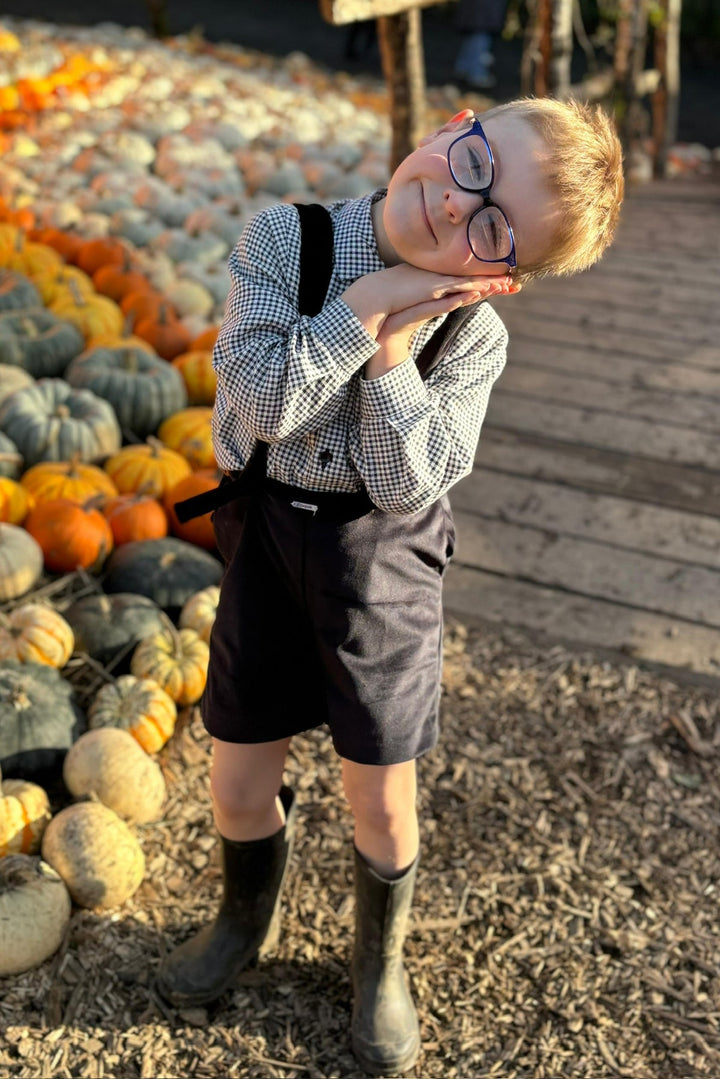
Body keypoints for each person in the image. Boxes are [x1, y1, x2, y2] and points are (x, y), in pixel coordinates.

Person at [157, 96, 624, 1076]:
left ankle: (380, 963)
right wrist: (365, 305)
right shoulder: (285, 242)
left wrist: (394, 355)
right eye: (472, 165)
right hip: (267, 538)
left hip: (381, 564)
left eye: (491, 226)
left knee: (382, 799)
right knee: (237, 775)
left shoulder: (474, 339)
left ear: (499, 278)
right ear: (454, 124)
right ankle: (242, 916)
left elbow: (409, 483)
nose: (455, 206)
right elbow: (266, 403)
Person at [454, 0, 509, 90]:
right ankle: (477, 74)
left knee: (473, 38)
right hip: (484, 16)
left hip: (475, 14)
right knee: (480, 40)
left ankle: (463, 68)